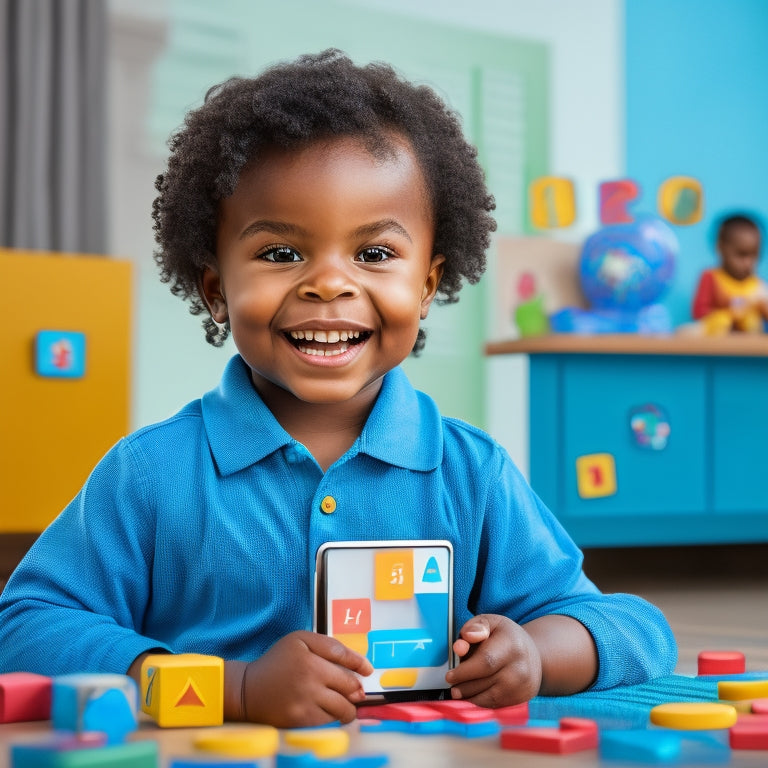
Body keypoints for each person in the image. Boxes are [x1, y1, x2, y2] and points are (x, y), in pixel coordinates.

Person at [0, 50, 676, 727]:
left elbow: (632, 628)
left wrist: (536, 652)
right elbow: (25, 627)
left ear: (427, 286)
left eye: (375, 254)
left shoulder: (471, 473)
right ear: (216, 291)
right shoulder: (150, 474)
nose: (329, 283)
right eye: (280, 253)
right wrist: (233, 689)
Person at [692, 213, 768, 334]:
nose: (748, 263)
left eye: (754, 255)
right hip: (719, 344)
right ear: (720, 248)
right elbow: (699, 312)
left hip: (750, 346)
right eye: (741, 254)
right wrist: (730, 312)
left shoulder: (758, 286)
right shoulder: (711, 278)